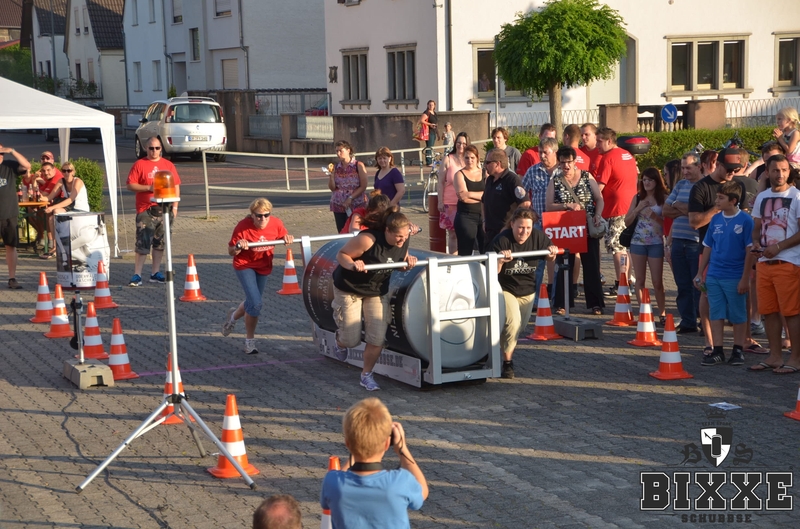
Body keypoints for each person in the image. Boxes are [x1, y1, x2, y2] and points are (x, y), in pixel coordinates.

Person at [331, 208, 417, 391]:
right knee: (351, 340)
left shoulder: (404, 239)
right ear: (387, 231)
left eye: (405, 236)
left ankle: (366, 375)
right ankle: (340, 340)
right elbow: (341, 255)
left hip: (377, 290)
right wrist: (353, 264)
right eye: (398, 237)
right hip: (350, 288)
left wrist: (407, 265)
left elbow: (397, 262)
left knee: (377, 337)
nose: (402, 241)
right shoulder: (368, 239)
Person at [321, 398, 428, 527]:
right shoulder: (399, 482)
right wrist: (402, 449)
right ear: (387, 443)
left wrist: (356, 448)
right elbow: (422, 492)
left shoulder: (333, 482)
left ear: (347, 443)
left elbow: (328, 501)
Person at [689, 148, 748, 356]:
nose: (732, 173)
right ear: (718, 164)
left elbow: (744, 217)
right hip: (709, 252)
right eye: (729, 168)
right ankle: (710, 342)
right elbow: (694, 222)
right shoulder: (701, 187)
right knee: (707, 298)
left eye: (736, 169)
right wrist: (718, 208)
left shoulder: (738, 186)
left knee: (739, 300)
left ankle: (741, 343)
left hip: (736, 257)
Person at [492, 208, 558, 378]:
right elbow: (491, 273)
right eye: (520, 227)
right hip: (506, 289)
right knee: (512, 324)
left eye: (528, 228)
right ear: (512, 224)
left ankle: (494, 346)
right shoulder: (502, 240)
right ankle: (507, 363)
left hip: (528, 291)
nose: (524, 232)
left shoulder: (538, 237)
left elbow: (550, 257)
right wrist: (500, 261)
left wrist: (552, 252)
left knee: (517, 328)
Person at [749, 154, 800, 374]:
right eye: (775, 170)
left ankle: (795, 358)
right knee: (768, 311)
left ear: (789, 172)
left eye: (784, 170)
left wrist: (779, 247)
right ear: (767, 172)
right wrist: (755, 243)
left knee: (791, 312)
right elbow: (757, 228)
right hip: (764, 262)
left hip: (788, 262)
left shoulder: (796, 196)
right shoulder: (762, 197)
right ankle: (775, 356)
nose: (780, 174)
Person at [222, 198, 293, 355]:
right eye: (259, 216)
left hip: (263, 266)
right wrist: (239, 247)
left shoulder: (276, 223)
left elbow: (284, 236)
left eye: (266, 215)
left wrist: (287, 238)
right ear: (252, 215)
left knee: (253, 302)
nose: (263, 219)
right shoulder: (243, 226)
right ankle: (250, 341)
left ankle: (232, 317)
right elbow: (231, 251)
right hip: (245, 265)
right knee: (255, 303)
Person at [695, 181, 753, 367]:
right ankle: (718, 350)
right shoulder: (715, 219)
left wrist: (745, 278)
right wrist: (700, 272)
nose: (716, 201)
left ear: (733, 200)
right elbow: (708, 246)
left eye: (721, 198)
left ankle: (738, 349)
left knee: (737, 314)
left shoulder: (746, 220)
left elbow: (750, 250)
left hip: (735, 275)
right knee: (716, 312)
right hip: (714, 274)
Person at [546, 146, 606, 315]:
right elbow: (548, 206)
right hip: (567, 229)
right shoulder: (555, 181)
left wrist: (598, 215)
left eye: (569, 162)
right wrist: (567, 205)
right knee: (564, 265)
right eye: (562, 162)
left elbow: (599, 199)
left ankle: (595, 304)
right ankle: (562, 303)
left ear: (575, 161)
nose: (566, 166)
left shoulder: (587, 176)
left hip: (587, 227)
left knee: (592, 266)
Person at [125, 136, 181, 286]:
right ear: (146, 148)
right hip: (146, 209)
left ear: (161, 149)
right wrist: (148, 188)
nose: (154, 151)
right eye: (151, 148)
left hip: (164, 209)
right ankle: (137, 274)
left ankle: (155, 273)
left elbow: (176, 185)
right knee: (143, 242)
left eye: (157, 148)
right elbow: (130, 185)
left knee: (160, 242)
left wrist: (175, 207)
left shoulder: (168, 165)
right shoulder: (140, 164)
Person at [595, 127, 638, 297]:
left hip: (616, 208)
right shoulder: (627, 155)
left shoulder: (607, 158)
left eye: (599, 141)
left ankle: (622, 284)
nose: (597, 145)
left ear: (609, 141)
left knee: (616, 246)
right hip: (630, 207)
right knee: (625, 246)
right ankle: (627, 282)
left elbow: (599, 187)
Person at [663, 152, 703, 334]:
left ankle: (703, 320)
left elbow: (701, 214)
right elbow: (666, 210)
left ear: (699, 166)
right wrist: (688, 210)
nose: (685, 171)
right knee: (682, 284)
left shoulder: (704, 186)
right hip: (678, 240)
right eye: (683, 168)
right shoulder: (680, 185)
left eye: (689, 168)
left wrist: (679, 205)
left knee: (698, 285)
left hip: (696, 241)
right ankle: (688, 321)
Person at [625, 168, 668, 325]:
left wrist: (655, 216)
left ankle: (662, 313)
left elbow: (667, 224)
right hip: (637, 242)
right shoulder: (637, 197)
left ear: (657, 181)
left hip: (656, 243)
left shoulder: (664, 198)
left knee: (657, 281)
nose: (647, 183)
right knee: (640, 280)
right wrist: (638, 208)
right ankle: (644, 312)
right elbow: (626, 222)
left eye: (650, 180)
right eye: (644, 180)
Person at [483, 149, 530, 249]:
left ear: (497, 164)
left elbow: (525, 203)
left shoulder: (512, 179)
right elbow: (483, 201)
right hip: (490, 232)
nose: (485, 165)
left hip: (505, 233)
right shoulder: (490, 179)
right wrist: (484, 221)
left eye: (488, 162)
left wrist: (509, 225)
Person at [0, 144, 31, 289]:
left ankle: (12, 278)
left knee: (10, 245)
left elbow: (27, 166)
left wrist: (12, 151)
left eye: (1, 152)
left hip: (9, 213)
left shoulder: (9, 166)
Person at [328, 140, 368, 233]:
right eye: (336, 151)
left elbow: (363, 186)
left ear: (348, 151)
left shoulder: (358, 165)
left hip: (357, 204)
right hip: (339, 205)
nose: (338, 154)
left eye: (341, 151)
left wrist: (350, 198)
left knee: (356, 231)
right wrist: (331, 176)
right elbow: (332, 188)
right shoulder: (336, 167)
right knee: (342, 232)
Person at [439, 132, 469, 254]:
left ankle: (464, 258)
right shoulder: (448, 159)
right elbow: (440, 182)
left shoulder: (470, 159)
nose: (461, 145)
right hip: (450, 202)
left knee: (465, 233)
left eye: (464, 143)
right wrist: (440, 201)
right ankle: (453, 259)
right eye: (459, 143)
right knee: (453, 234)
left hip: (466, 202)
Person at [454, 145, 485, 256]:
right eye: (466, 158)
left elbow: (490, 195)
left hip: (484, 216)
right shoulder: (459, 174)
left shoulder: (485, 173)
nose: (469, 160)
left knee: (486, 250)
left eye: (472, 158)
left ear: (477, 158)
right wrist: (483, 197)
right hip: (466, 216)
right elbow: (463, 198)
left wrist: (470, 193)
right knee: (465, 251)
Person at [36, 161, 65, 259]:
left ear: (54, 169)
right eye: (44, 171)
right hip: (59, 204)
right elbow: (46, 196)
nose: (46, 173)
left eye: (68, 171)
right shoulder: (52, 179)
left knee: (51, 215)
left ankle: (53, 246)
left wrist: (51, 207)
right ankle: (51, 244)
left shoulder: (57, 178)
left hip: (68, 206)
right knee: (39, 213)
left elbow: (44, 195)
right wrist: (34, 180)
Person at [420, 100, 438, 166]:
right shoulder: (427, 113)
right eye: (430, 105)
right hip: (429, 132)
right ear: (427, 105)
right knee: (429, 146)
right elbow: (421, 120)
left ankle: (431, 160)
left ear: (434, 106)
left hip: (434, 131)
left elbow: (436, 123)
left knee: (431, 147)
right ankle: (429, 161)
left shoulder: (434, 113)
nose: (431, 106)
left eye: (432, 105)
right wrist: (430, 124)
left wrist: (437, 133)